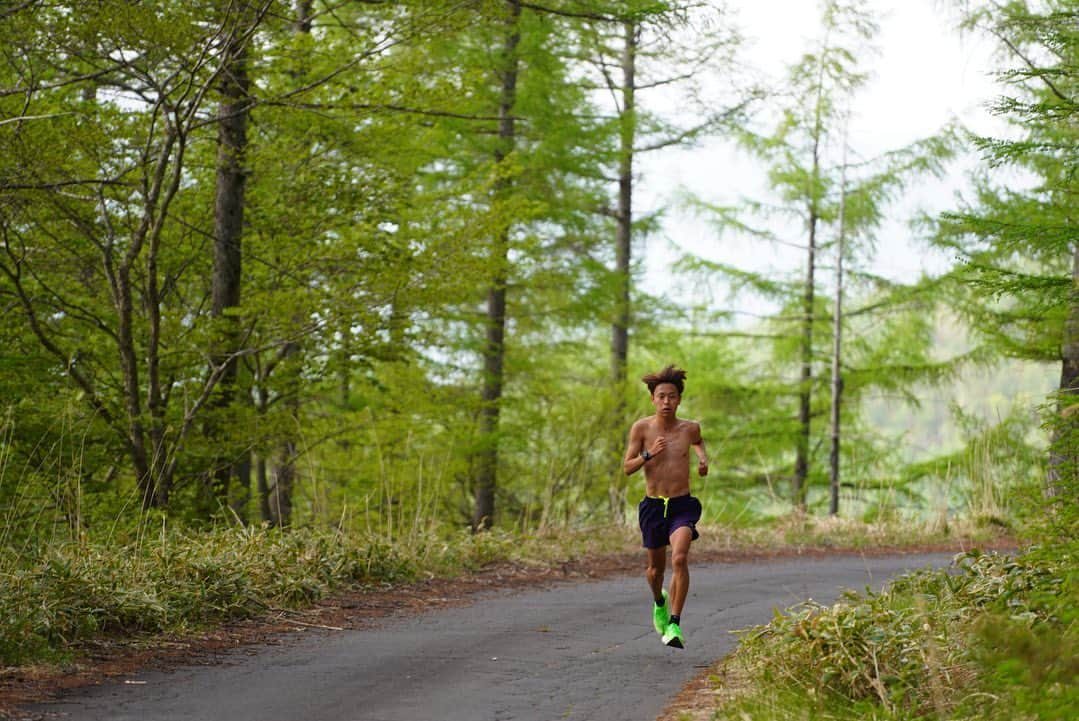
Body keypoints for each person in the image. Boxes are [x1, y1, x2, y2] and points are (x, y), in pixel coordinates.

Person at [622, 365, 709, 649]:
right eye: (661, 396)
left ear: (679, 399)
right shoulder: (642, 428)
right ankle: (659, 602)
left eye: (672, 396)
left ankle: (674, 624)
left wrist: (702, 458)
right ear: (653, 399)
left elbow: (697, 441)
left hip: (682, 505)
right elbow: (626, 468)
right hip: (653, 507)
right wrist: (649, 454)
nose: (666, 402)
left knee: (680, 559)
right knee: (654, 572)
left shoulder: (689, 428)